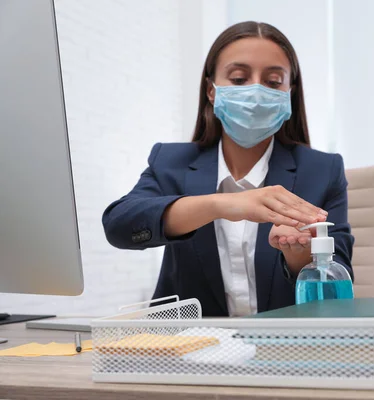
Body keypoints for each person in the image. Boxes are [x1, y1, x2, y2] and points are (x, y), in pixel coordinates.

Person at [102, 21, 353, 317]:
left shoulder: (323, 171)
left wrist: (299, 256)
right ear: (211, 90)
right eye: (238, 78)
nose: (256, 91)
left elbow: (341, 279)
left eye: (273, 82)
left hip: (286, 352)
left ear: (289, 93)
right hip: (189, 352)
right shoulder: (170, 162)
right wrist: (222, 204)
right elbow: (118, 226)